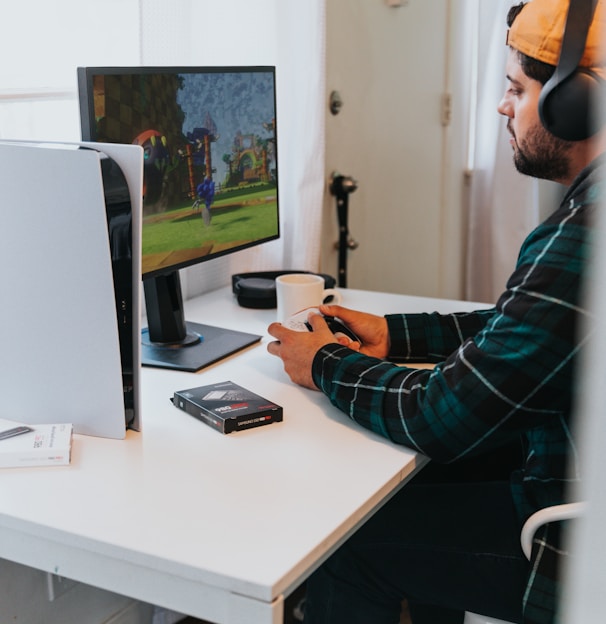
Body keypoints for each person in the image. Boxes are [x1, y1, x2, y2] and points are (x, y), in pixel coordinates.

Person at [267, 1, 606, 623]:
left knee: (350, 545)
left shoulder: (589, 234)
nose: (503, 106)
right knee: (418, 490)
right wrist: (396, 334)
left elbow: (440, 418)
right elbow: (525, 330)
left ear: (573, 103)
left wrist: (324, 364)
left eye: (516, 88)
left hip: (581, 545)